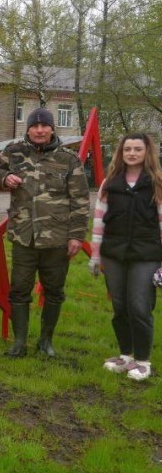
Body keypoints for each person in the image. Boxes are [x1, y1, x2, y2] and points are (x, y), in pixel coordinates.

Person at [0, 107, 89, 358]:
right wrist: (5, 178)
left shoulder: (69, 159)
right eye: (34, 126)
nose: (39, 130)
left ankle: (46, 341)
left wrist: (77, 236)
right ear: (28, 129)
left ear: (52, 129)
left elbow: (80, 200)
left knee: (54, 290)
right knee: (19, 290)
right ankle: (19, 342)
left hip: (57, 238)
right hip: (24, 235)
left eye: (44, 126)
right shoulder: (13, 151)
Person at [89, 133, 162, 381]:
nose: (132, 153)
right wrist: (95, 256)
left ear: (146, 152)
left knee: (139, 307)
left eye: (137, 149)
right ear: (121, 152)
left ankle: (143, 361)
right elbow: (99, 221)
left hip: (146, 255)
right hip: (114, 254)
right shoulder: (110, 183)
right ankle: (126, 356)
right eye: (127, 149)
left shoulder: (157, 183)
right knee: (120, 307)